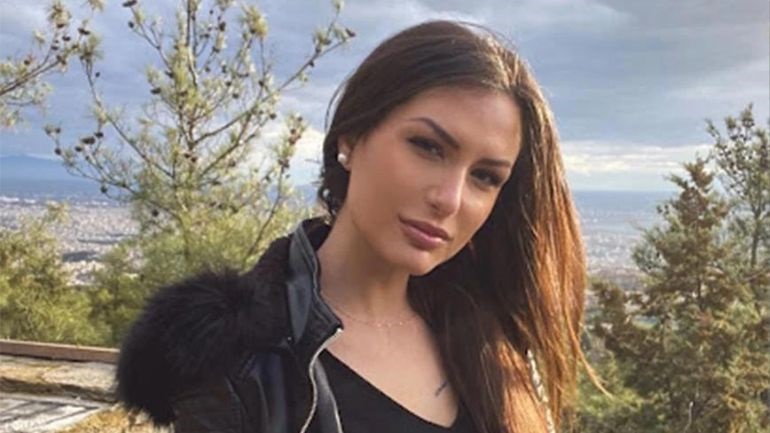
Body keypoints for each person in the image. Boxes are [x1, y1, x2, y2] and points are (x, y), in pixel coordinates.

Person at [116, 19, 594, 433]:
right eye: (428, 147)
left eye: (485, 177)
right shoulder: (245, 364)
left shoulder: (494, 338)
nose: (450, 199)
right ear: (350, 136)